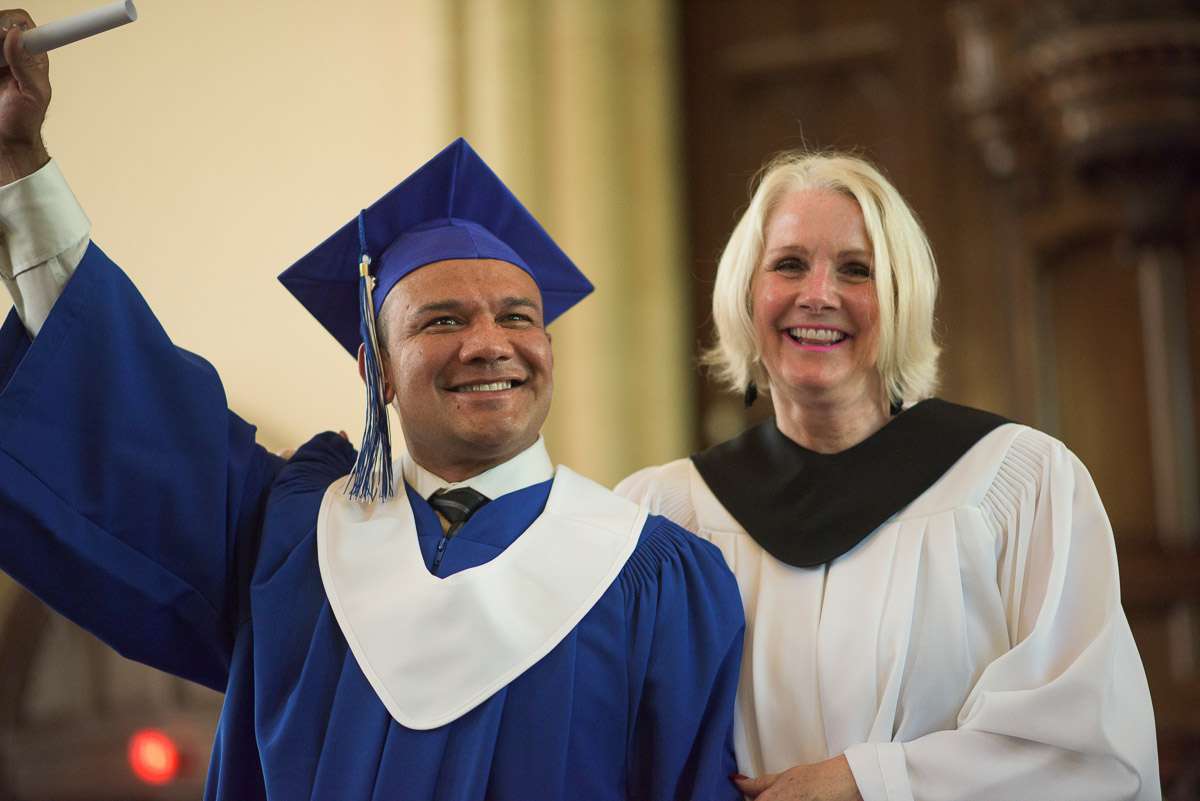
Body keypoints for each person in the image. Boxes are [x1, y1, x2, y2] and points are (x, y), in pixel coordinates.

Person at [0, 13, 744, 801]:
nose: (491, 343)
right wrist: (20, 165)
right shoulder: (291, 543)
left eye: (519, 316)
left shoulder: (652, 578)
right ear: (377, 367)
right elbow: (131, 408)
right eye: (443, 320)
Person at [617, 150, 1160, 801]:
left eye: (856, 270)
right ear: (744, 292)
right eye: (789, 263)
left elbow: (1090, 750)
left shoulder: (1018, 482)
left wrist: (870, 781)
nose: (817, 295)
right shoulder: (663, 513)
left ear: (903, 296)